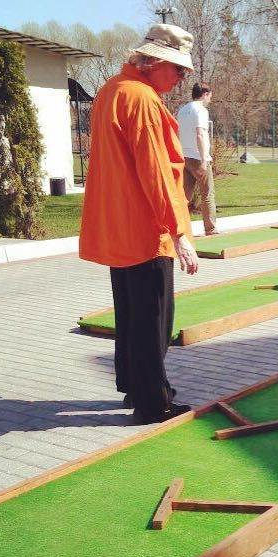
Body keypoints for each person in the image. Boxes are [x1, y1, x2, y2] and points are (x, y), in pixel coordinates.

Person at [79, 24, 199, 425]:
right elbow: (157, 173)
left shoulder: (112, 90)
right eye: (179, 70)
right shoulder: (142, 99)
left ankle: (134, 384)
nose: (181, 79)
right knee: (154, 321)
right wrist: (180, 232)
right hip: (147, 229)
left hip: (120, 226)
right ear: (156, 62)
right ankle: (154, 402)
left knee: (130, 314)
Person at [177, 82, 218, 235]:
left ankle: (180, 229)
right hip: (198, 157)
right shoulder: (200, 110)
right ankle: (211, 229)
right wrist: (203, 159)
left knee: (183, 196)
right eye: (210, 97)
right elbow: (200, 134)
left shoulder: (183, 110)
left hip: (184, 156)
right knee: (207, 194)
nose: (210, 100)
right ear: (205, 94)